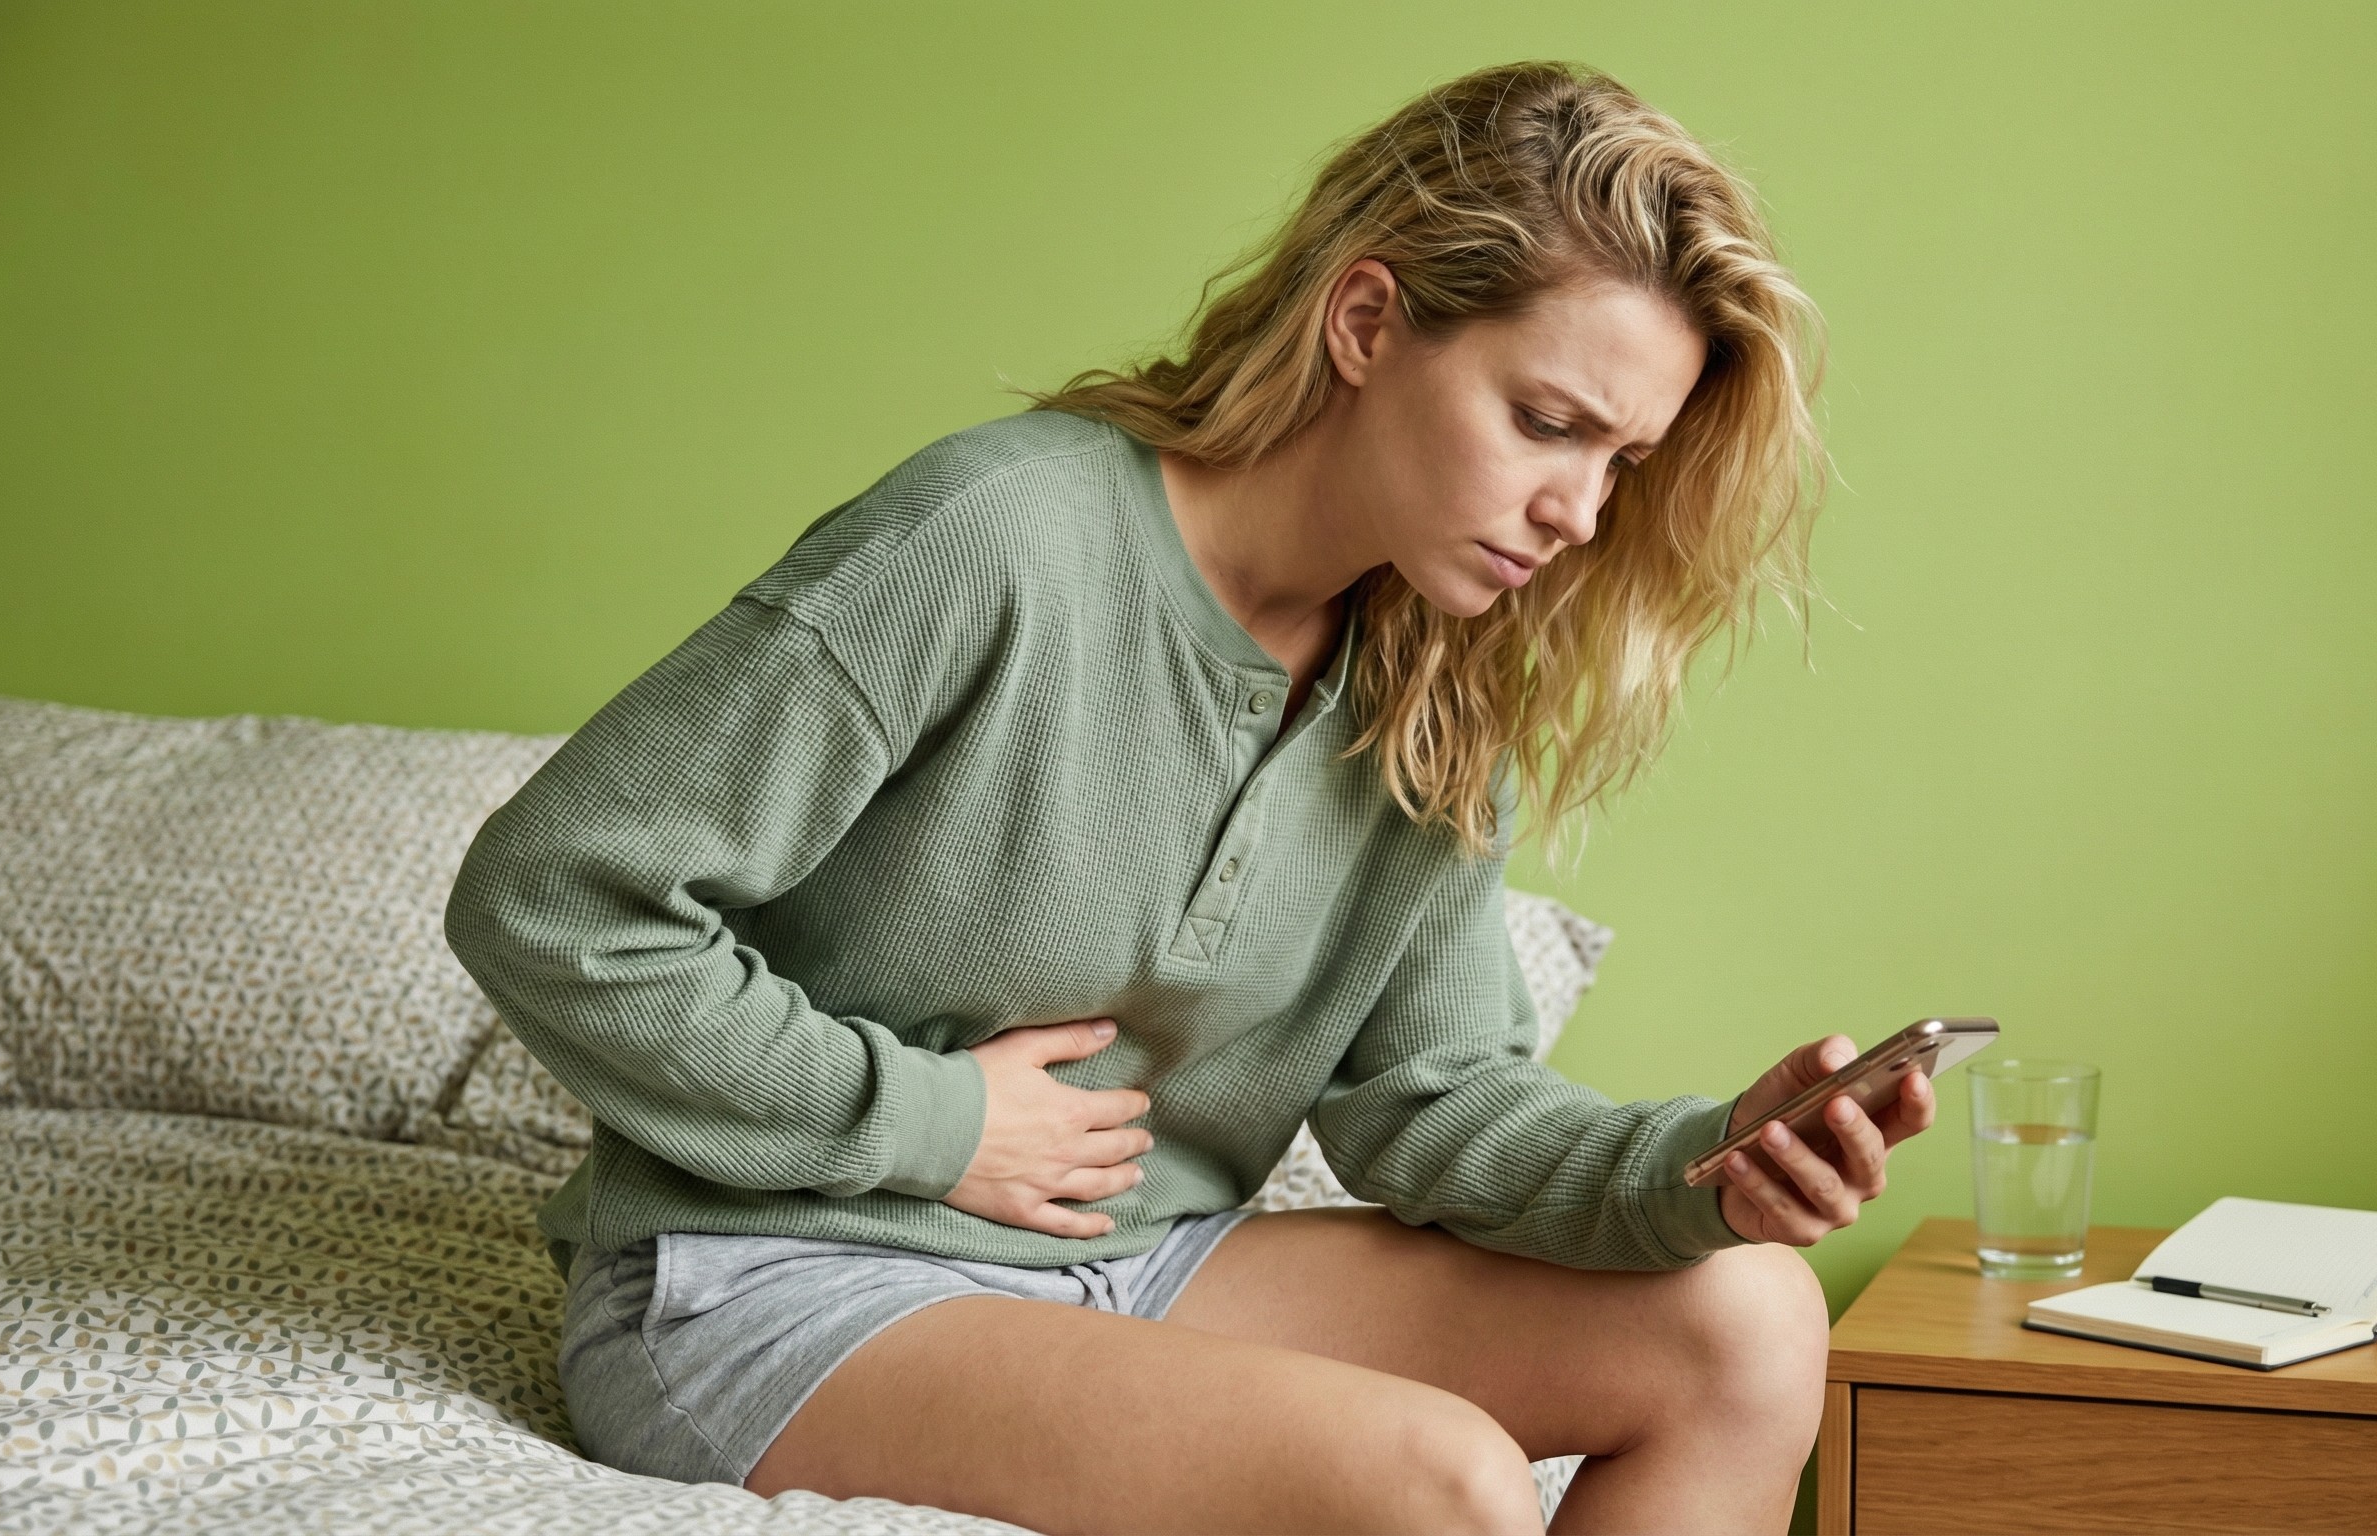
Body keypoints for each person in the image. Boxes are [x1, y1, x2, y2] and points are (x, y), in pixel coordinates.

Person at [444, 58, 1935, 1536]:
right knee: (1445, 1483)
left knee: (1748, 1318)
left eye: (1623, 459)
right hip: (773, 1277)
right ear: (1367, 323)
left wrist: (1705, 1168)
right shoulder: (1002, 536)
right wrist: (931, 1119)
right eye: (1547, 422)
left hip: (1142, 1264)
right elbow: (554, 897)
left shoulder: (1433, 680)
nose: (1582, 511)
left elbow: (1434, 1103)